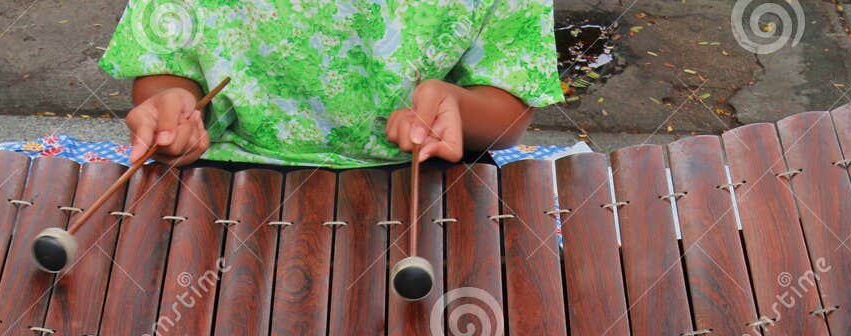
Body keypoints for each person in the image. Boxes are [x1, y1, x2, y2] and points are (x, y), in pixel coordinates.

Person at [98, 0, 565, 168]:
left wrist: (456, 106)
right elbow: (165, 67)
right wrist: (170, 104)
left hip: (416, 179)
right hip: (232, 173)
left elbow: (508, 112)